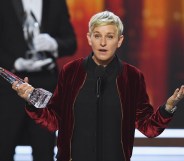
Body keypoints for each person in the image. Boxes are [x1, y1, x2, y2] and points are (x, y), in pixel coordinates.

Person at [12, 11, 184, 161]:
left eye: (109, 36)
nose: (103, 43)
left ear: (119, 40)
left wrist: (168, 108)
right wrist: (31, 101)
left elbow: (149, 128)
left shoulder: (132, 77)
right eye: (97, 35)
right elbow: (54, 121)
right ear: (89, 38)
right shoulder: (71, 72)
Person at [0, 0, 77, 161]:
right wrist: (14, 63)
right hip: (8, 88)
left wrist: (54, 44)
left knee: (44, 152)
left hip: (44, 87)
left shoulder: (56, 3)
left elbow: (71, 42)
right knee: (4, 149)